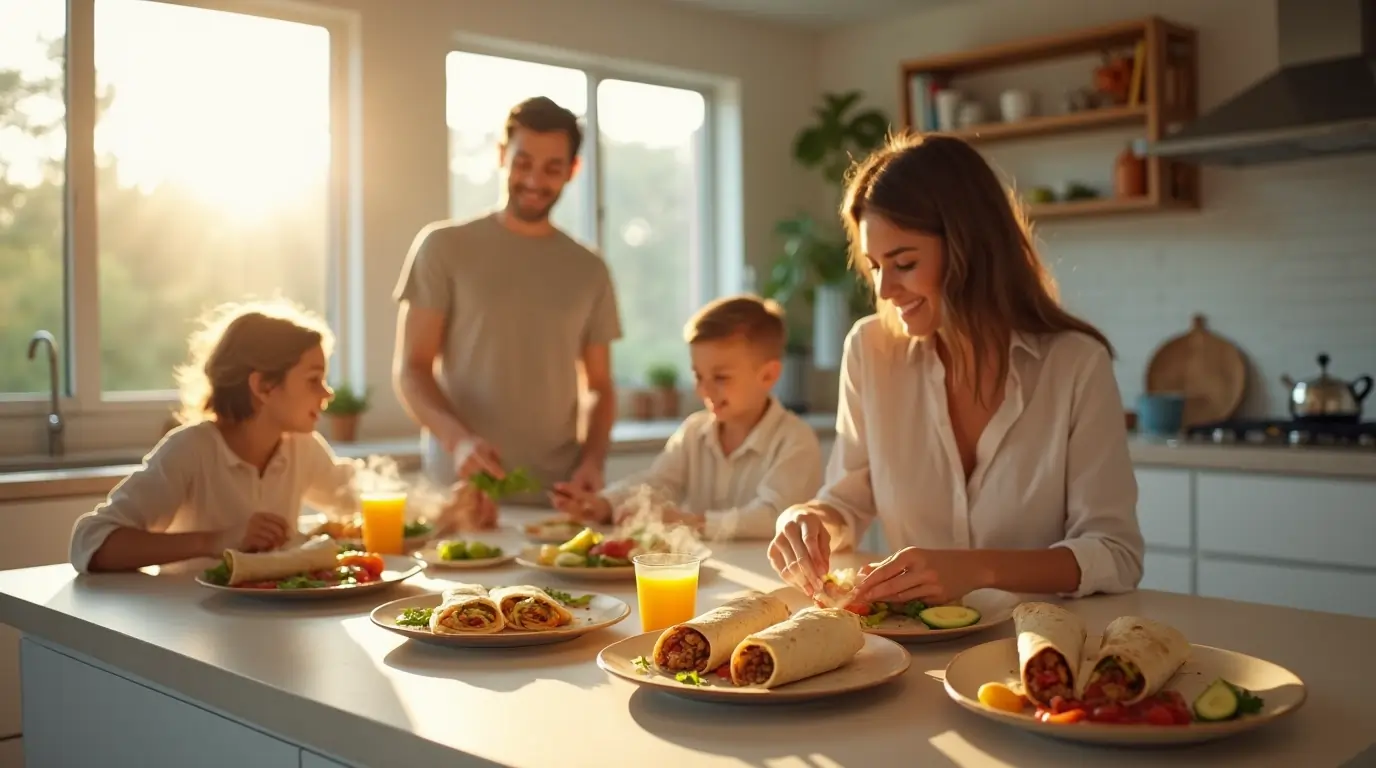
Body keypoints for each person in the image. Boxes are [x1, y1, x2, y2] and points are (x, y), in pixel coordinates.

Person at [769, 132, 1144, 605]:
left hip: (1039, 650)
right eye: (874, 266)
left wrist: (977, 568)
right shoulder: (870, 349)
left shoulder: (1075, 365)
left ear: (971, 250)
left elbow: (1115, 553)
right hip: (910, 649)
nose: (884, 290)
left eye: (903, 263)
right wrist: (805, 521)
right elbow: (847, 499)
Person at [393, 96, 621, 530]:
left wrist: (593, 461)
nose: (535, 179)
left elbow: (601, 387)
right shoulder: (442, 247)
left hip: (556, 501)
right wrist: (459, 442)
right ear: (502, 156)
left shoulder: (589, 269)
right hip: (461, 497)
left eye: (553, 167)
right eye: (524, 162)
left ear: (573, 171)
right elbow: (412, 369)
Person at [69, 301, 360, 574]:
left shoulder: (301, 447)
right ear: (263, 386)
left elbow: (360, 499)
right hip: (186, 623)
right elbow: (90, 542)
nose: (327, 393)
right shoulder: (191, 449)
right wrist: (213, 541)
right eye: (313, 379)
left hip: (270, 620)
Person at [552, 295, 823, 540]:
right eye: (698, 375)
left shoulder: (795, 440)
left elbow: (772, 515)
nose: (703, 389)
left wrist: (691, 522)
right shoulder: (694, 430)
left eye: (720, 377)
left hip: (770, 582)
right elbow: (658, 482)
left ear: (768, 375)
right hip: (709, 582)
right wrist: (602, 504)